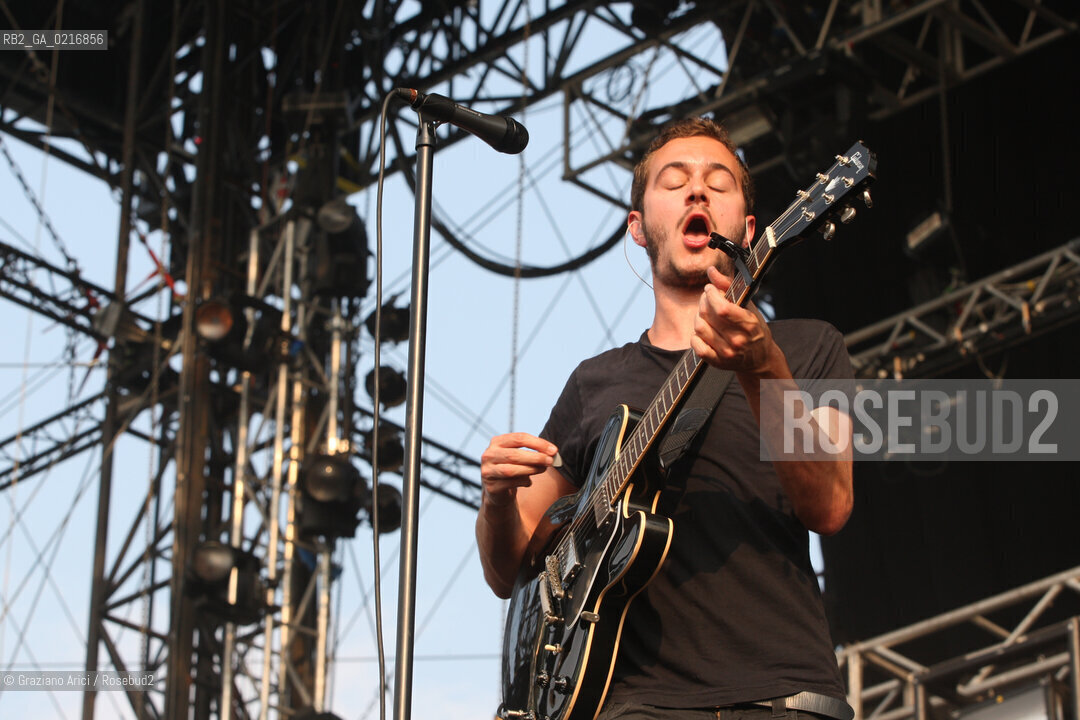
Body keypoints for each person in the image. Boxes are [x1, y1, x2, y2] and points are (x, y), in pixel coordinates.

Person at [476, 116, 855, 720]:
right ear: (638, 227)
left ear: (749, 229)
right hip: (629, 705)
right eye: (674, 181)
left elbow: (830, 505)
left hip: (781, 696)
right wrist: (496, 499)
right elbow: (510, 568)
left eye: (718, 182)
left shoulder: (809, 347)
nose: (697, 190)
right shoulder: (594, 382)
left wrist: (763, 369)